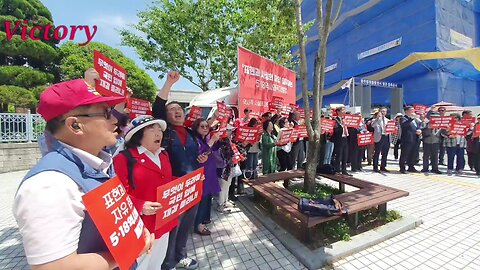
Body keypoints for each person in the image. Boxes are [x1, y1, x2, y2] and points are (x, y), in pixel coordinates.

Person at [13, 79, 154, 269]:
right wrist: (130, 250)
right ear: (75, 125)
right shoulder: (49, 185)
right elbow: (55, 267)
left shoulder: (100, 163)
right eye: (106, 113)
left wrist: (136, 231)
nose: (115, 120)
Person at [152, 71, 206, 270]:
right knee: (172, 226)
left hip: (193, 186)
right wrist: (169, 83)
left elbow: (193, 157)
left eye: (179, 109)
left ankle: (181, 255)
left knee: (185, 226)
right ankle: (167, 263)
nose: (177, 112)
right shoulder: (165, 132)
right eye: (171, 110)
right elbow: (157, 108)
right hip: (174, 189)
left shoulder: (191, 134)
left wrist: (201, 162)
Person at [113, 116, 176, 270]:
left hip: (163, 221)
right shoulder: (124, 159)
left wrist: (189, 182)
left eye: (159, 130)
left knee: (157, 263)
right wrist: (140, 205)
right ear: (138, 134)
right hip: (141, 227)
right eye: (151, 129)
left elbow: (166, 180)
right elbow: (116, 195)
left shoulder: (164, 155)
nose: (158, 134)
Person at [190, 118, 221, 235]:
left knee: (208, 198)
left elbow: (215, 148)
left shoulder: (204, 139)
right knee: (202, 199)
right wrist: (212, 141)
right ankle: (199, 225)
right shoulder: (195, 140)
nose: (205, 128)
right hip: (202, 174)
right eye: (202, 126)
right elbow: (202, 153)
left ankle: (204, 219)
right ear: (196, 128)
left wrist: (217, 139)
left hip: (209, 173)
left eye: (206, 126)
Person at [399, 106, 421, 174]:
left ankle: (411, 167)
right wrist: (411, 118)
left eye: (413, 110)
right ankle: (402, 168)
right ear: (406, 111)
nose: (413, 112)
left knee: (413, 154)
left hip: (415, 139)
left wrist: (419, 130)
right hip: (407, 140)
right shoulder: (403, 118)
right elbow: (404, 125)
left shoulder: (415, 119)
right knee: (404, 154)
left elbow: (418, 126)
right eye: (411, 110)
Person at [331, 106, 351, 175]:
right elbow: (335, 130)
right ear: (338, 112)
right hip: (339, 139)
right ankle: (337, 170)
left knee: (345, 155)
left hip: (345, 138)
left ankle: (344, 170)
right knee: (339, 155)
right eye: (343, 110)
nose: (344, 112)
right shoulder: (335, 120)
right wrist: (342, 126)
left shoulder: (345, 119)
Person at [371, 107, 390, 172]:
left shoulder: (388, 120)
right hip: (379, 137)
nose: (383, 113)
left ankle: (383, 166)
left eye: (384, 111)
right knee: (377, 153)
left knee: (385, 153)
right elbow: (373, 125)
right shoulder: (375, 120)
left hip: (386, 137)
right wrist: (378, 119)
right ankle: (375, 167)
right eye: (382, 111)